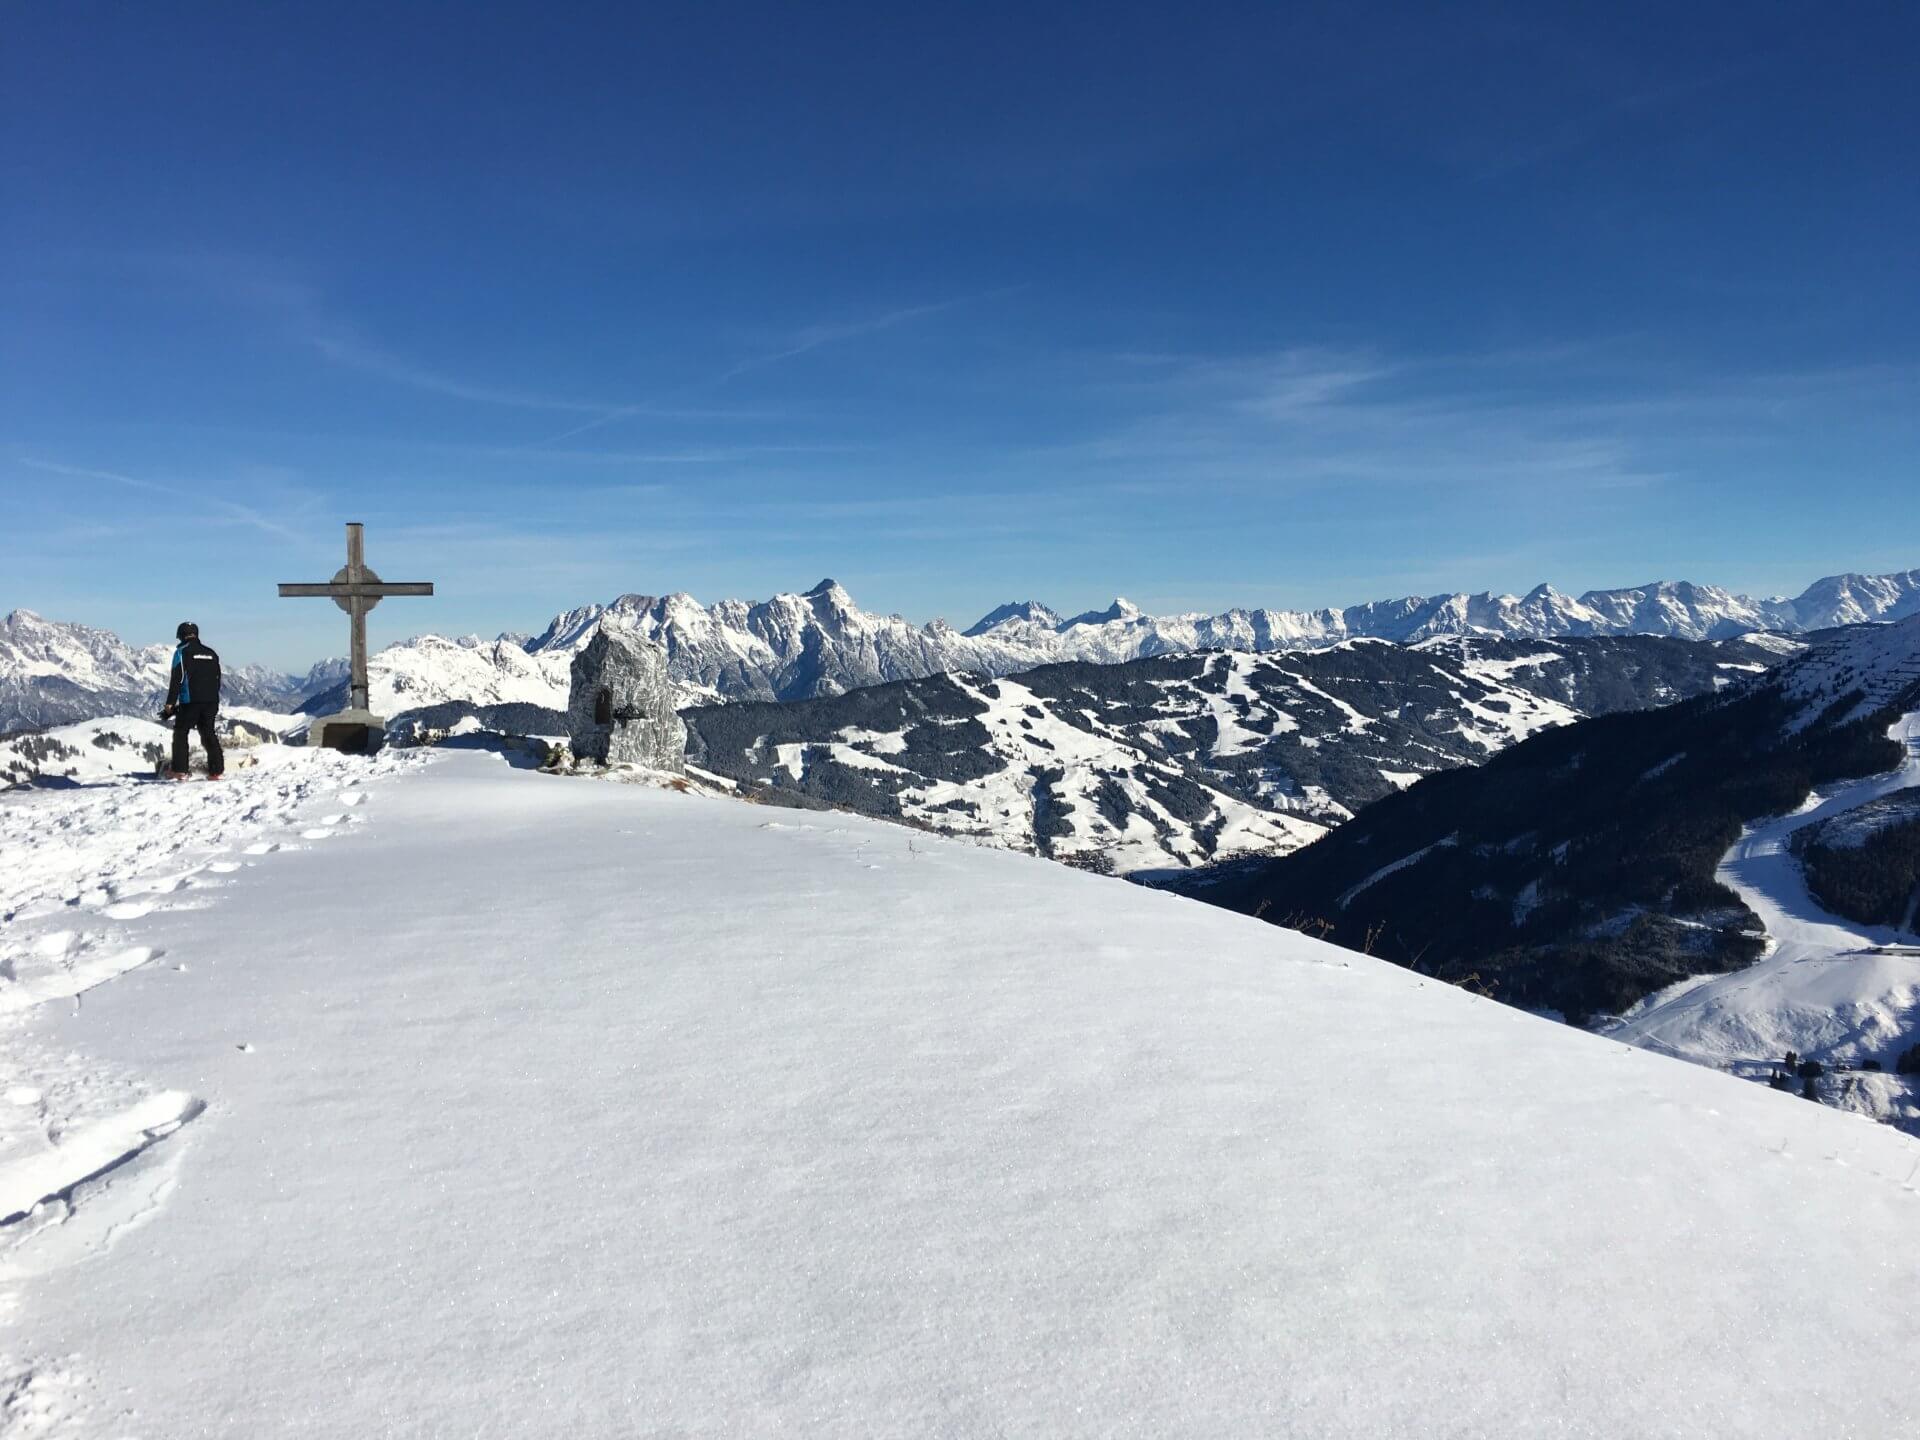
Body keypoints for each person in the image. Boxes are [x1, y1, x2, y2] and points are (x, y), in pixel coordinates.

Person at [162, 621, 225, 780]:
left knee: (181, 732)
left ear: (181, 635)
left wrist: (170, 703)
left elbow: (177, 678)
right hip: (211, 701)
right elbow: (217, 678)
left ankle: (180, 770)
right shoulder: (211, 653)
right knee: (208, 732)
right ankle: (216, 771)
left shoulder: (181, 652)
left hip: (190, 701)